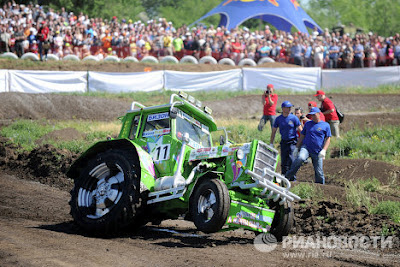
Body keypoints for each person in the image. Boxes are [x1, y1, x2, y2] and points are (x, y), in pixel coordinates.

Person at [285, 107, 331, 184]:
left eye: (314, 115)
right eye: (311, 115)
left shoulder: (325, 125)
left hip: (318, 151)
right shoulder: (308, 124)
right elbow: (302, 136)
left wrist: (324, 150)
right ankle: (287, 177)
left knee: (319, 171)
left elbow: (328, 139)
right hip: (306, 147)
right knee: (300, 158)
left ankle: (321, 187)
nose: (312, 117)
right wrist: (297, 148)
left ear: (319, 114)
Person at [270, 101, 302, 177]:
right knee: (284, 161)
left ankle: (292, 178)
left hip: (292, 142)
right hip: (284, 142)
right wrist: (271, 143)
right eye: (288, 107)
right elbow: (273, 131)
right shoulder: (278, 119)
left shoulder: (294, 118)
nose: (290, 109)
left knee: (292, 159)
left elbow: (301, 130)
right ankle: (284, 177)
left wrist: (302, 142)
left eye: (290, 107)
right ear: (283, 109)